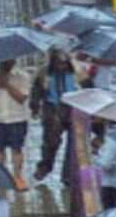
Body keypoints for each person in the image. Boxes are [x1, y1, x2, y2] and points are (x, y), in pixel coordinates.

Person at [0, 60, 32, 189]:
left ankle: (17, 177)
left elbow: (22, 98)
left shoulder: (23, 77)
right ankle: (0, 177)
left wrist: (7, 85)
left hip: (17, 118)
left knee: (17, 148)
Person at [29, 48, 79, 182]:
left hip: (74, 108)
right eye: (58, 63)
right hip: (52, 108)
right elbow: (36, 90)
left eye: (64, 63)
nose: (61, 66)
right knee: (50, 142)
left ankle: (68, 175)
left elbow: (88, 87)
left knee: (74, 144)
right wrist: (34, 106)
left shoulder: (77, 71)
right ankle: (45, 167)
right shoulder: (44, 72)